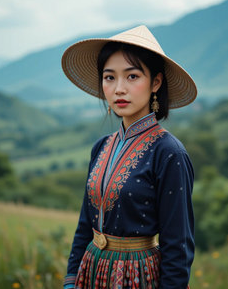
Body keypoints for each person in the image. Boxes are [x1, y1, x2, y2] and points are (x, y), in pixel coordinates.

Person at [61, 25, 197, 288]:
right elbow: (84, 228)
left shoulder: (169, 153)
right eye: (109, 77)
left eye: (132, 77)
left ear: (155, 82)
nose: (119, 89)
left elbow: (178, 245)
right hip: (91, 273)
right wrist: (70, 282)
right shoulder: (101, 147)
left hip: (138, 278)